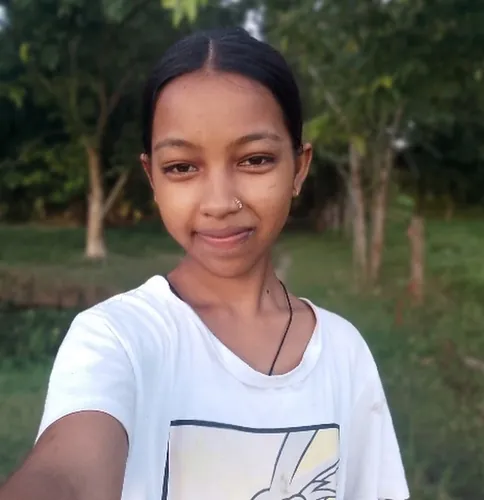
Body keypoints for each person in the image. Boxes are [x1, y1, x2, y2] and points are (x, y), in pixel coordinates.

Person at [0, 27, 410, 500]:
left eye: (255, 160)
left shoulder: (343, 353)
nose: (220, 203)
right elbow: (67, 471)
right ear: (152, 178)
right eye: (182, 167)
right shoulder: (117, 339)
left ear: (298, 168)